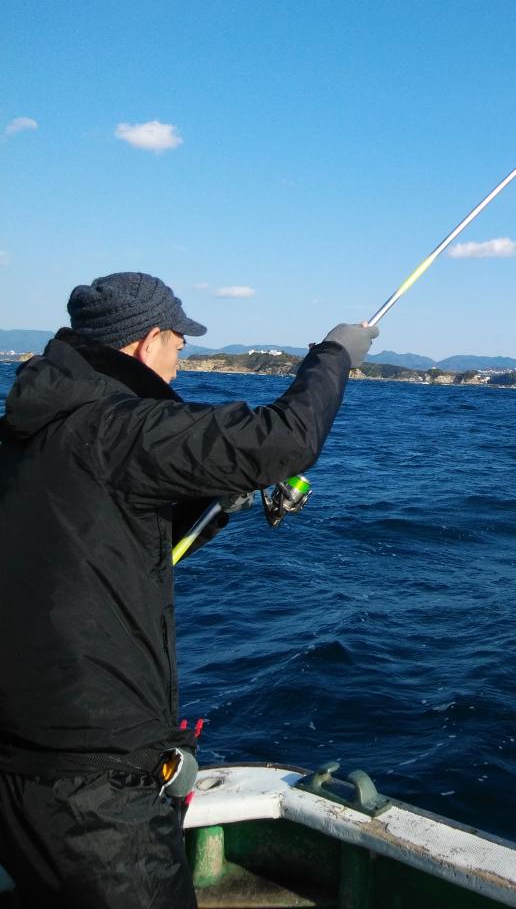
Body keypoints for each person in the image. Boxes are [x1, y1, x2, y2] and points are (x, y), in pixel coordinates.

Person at [0, 272, 377, 907]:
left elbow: (104, 540)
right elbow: (285, 440)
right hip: (95, 790)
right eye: (179, 344)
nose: (180, 360)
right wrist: (333, 355)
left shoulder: (28, 432)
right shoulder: (118, 426)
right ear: (147, 341)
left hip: (21, 766)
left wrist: (213, 503)